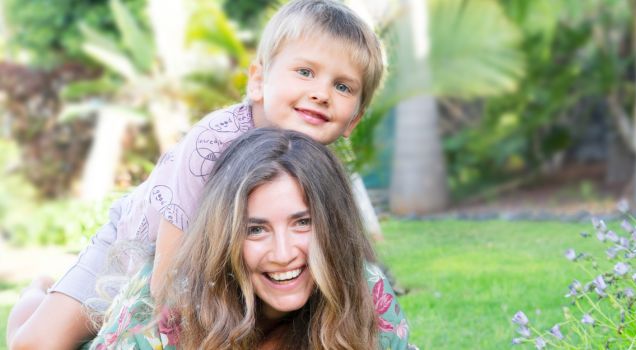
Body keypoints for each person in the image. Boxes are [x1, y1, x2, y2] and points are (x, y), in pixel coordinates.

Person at [6, 1, 392, 349]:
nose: (322, 93)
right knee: (39, 345)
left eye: (342, 86)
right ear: (257, 82)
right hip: (135, 245)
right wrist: (162, 326)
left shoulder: (315, 169)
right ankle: (37, 296)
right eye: (305, 71)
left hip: (207, 269)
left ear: (353, 120)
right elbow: (166, 272)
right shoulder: (212, 144)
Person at [86, 128, 411, 349]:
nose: (283, 254)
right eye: (255, 229)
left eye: (302, 223)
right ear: (224, 236)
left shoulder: (365, 290)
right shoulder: (170, 301)